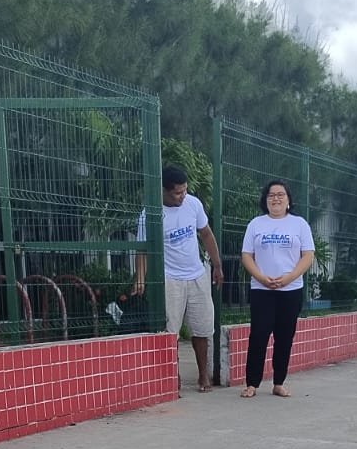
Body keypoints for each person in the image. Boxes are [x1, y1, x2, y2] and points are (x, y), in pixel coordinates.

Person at [133, 165, 223, 393]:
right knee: (170, 331)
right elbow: (142, 250)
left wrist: (217, 265)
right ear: (163, 191)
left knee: (202, 328)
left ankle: (203, 375)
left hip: (196, 275)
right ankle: (174, 375)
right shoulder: (150, 214)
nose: (183, 196)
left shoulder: (193, 204)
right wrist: (140, 278)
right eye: (177, 193)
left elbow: (206, 233)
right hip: (170, 279)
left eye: (185, 190)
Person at [240, 180, 314, 398]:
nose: (276, 199)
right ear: (265, 200)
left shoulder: (299, 224)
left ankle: (279, 382)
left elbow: (308, 256)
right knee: (258, 336)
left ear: (288, 199)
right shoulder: (256, 224)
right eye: (271, 195)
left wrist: (289, 278)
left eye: (280, 194)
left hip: (290, 291)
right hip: (261, 290)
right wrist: (261, 278)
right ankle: (252, 383)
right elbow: (247, 256)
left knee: (284, 338)